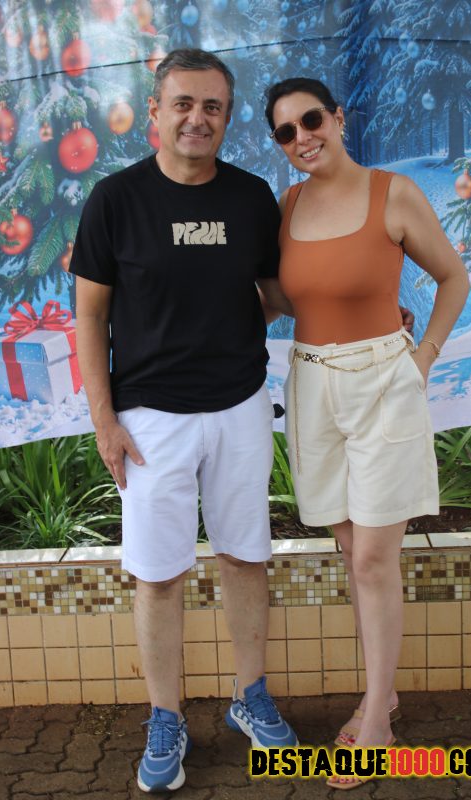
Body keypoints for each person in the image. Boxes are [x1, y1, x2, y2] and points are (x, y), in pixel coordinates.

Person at [69, 48, 300, 794]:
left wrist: (363, 306)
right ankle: (165, 716)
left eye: (212, 107)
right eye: (183, 104)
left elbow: (278, 293)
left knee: (244, 557)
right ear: (156, 111)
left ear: (226, 118)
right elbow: (89, 317)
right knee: (159, 576)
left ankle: (250, 695)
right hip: (149, 419)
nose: (197, 118)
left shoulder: (252, 197)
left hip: (239, 407)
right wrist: (105, 421)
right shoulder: (115, 200)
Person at [264, 77, 469, 791]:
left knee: (376, 558)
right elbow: (278, 299)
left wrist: (423, 357)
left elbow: (453, 277)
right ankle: (385, 690)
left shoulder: (393, 194)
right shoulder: (287, 206)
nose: (302, 138)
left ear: (338, 118)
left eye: (310, 120)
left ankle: (376, 717)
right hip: (312, 387)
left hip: (383, 384)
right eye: (285, 132)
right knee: (354, 553)